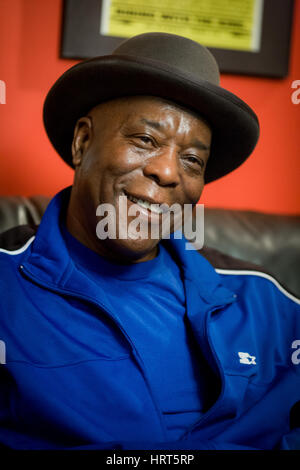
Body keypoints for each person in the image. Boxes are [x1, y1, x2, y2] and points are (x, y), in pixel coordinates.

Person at [0, 32, 299, 451]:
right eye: (145, 140)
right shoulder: (8, 288)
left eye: (192, 160)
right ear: (82, 142)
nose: (168, 172)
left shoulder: (265, 300)